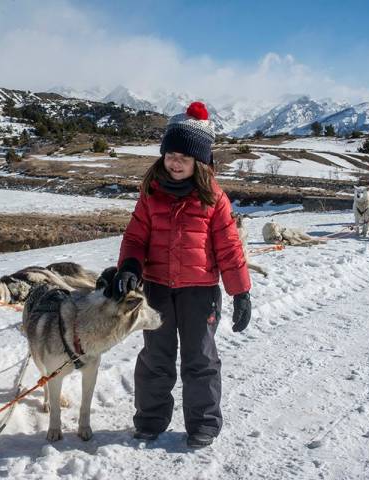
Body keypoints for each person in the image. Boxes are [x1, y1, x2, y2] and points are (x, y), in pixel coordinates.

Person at [111, 101, 252, 448]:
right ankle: (150, 419)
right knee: (155, 357)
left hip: (199, 291)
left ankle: (203, 423)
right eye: (170, 154)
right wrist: (129, 267)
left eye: (183, 157)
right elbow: (135, 237)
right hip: (157, 289)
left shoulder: (214, 199)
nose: (175, 162)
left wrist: (240, 292)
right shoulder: (151, 194)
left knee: (200, 359)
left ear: (199, 162)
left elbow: (229, 247)